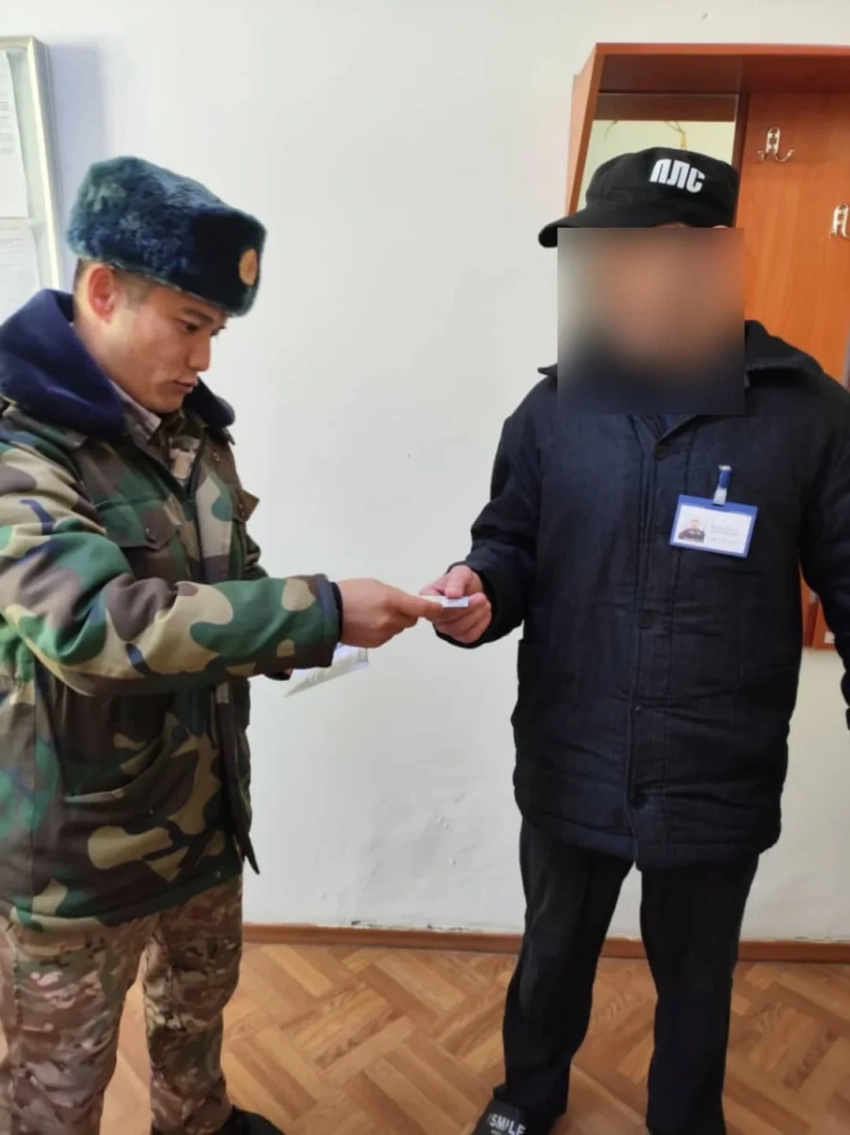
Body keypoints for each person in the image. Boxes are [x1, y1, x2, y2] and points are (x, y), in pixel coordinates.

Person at [0, 156, 438, 1135]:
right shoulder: (21, 446)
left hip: (200, 817)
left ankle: (196, 1122)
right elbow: (94, 626)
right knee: (55, 1090)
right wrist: (320, 611)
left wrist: (330, 626)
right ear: (103, 290)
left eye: (215, 333)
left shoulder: (190, 433)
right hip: (78, 859)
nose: (203, 358)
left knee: (195, 1023)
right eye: (189, 324)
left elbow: (227, 586)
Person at [422, 147, 850, 1135]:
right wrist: (480, 585)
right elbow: (509, 539)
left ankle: (683, 1121)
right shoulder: (552, 410)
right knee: (551, 954)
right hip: (571, 752)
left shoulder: (811, 418)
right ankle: (526, 1098)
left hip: (715, 768)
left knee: (697, 979)